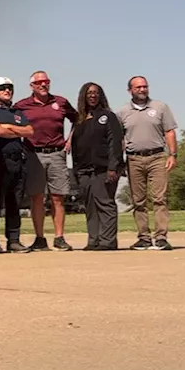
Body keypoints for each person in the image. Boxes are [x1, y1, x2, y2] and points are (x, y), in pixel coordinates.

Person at [14, 71, 77, 252]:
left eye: (46, 82)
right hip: (34, 154)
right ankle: (40, 238)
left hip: (57, 153)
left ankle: (59, 237)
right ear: (32, 86)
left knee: (58, 197)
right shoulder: (22, 105)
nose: (43, 85)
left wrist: (70, 139)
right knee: (37, 197)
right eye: (39, 82)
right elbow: (10, 122)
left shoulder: (60, 102)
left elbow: (77, 120)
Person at [117, 76, 179, 251]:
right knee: (138, 200)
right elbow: (119, 139)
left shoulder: (160, 107)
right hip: (133, 159)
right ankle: (143, 237)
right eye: (138, 87)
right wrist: (118, 161)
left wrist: (172, 155)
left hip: (157, 157)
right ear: (130, 90)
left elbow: (170, 132)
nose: (142, 90)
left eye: (145, 86)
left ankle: (161, 237)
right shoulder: (122, 112)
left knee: (160, 198)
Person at [0, 77, 35, 253]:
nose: (7, 91)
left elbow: (29, 131)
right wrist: (11, 129)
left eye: (9, 88)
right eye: (2, 88)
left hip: (17, 161)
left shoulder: (17, 112)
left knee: (14, 203)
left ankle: (13, 240)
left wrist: (8, 128)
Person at [72, 82, 125, 250]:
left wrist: (113, 167)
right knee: (90, 206)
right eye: (89, 93)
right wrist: (76, 171)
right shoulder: (79, 120)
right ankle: (93, 240)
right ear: (83, 96)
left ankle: (107, 241)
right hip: (84, 171)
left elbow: (114, 143)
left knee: (105, 203)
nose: (93, 95)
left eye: (96, 92)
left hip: (103, 169)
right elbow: (75, 147)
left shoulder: (108, 116)